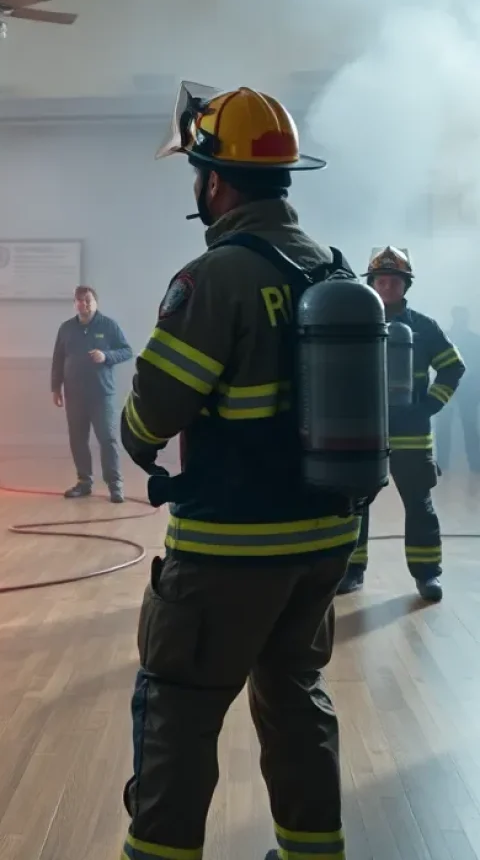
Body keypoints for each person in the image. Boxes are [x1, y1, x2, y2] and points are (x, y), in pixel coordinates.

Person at [117, 82, 360, 860]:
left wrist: (130, 431)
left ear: (215, 181)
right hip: (323, 542)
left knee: (178, 710)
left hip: (230, 549)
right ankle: (312, 853)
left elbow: (154, 412)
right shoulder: (329, 268)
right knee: (296, 699)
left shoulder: (216, 276)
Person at [338, 248, 465, 601]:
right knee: (356, 505)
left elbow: (454, 366)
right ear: (371, 284)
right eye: (381, 280)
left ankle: (427, 576)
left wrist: (429, 406)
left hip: (412, 436)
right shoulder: (355, 324)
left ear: (405, 285)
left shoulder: (424, 327)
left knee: (419, 506)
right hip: (366, 434)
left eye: (395, 280)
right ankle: (352, 571)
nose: (387, 285)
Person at [51, 285, 133, 503]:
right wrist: (55, 388)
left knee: (107, 439)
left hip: (101, 394)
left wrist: (106, 356)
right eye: (79, 300)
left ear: (95, 302)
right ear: (75, 303)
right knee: (78, 440)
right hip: (74, 394)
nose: (83, 304)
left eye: (88, 300)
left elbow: (126, 350)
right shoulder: (66, 328)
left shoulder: (108, 325)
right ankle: (84, 482)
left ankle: (115, 485)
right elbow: (58, 359)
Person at [436, 306, 480, 479]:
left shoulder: (469, 339)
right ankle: (443, 464)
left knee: (468, 427)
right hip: (449, 388)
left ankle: (474, 464)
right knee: (445, 427)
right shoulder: (447, 337)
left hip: (465, 389)